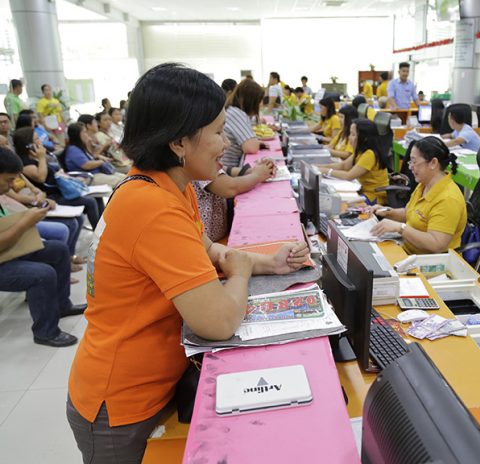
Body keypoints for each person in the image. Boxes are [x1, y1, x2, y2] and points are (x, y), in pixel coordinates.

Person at [66, 62, 310, 463]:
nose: (225, 141)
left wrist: (269, 262)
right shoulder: (152, 208)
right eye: (216, 131)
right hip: (120, 404)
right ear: (179, 143)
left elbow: (212, 252)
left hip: (151, 383)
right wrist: (244, 271)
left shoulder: (165, 186)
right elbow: (218, 321)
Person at [0, 147, 86, 347]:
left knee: (58, 250)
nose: (12, 185)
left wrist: (30, 216)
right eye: (8, 180)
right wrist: (25, 223)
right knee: (42, 273)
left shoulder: (3, 195)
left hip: (9, 252)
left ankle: (62, 305)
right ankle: (45, 332)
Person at [369, 137, 467, 254]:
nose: (410, 167)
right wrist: (388, 212)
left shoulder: (448, 199)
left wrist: (400, 228)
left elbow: (436, 244)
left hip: (431, 263)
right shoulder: (424, 184)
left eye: (414, 162)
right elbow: (410, 213)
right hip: (408, 250)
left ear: (433, 163)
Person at [12, 126, 103, 229]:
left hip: (60, 191)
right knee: (90, 202)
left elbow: (57, 173)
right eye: (37, 139)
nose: (40, 141)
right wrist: (41, 158)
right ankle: (99, 233)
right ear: (28, 145)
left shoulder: (37, 157)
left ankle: (104, 228)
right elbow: (41, 177)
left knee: (97, 198)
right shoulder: (25, 163)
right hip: (51, 196)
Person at [193, 159, 275, 242]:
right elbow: (230, 187)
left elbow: (226, 170)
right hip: (208, 244)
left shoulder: (204, 159)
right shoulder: (198, 163)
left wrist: (256, 170)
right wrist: (257, 175)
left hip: (219, 233)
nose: (227, 145)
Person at [317, 119, 388, 204]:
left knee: (343, 205)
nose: (349, 137)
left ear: (364, 138)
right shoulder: (361, 151)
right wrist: (318, 167)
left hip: (373, 196)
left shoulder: (370, 154)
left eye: (353, 134)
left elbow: (349, 176)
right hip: (362, 191)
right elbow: (343, 166)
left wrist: (326, 171)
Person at [63, 122, 126, 187]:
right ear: (77, 135)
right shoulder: (73, 150)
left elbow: (92, 156)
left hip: (97, 173)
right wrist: (101, 162)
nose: (86, 134)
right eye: (84, 132)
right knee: (121, 182)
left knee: (126, 178)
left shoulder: (80, 147)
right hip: (89, 177)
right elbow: (86, 165)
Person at [220, 78, 266, 168]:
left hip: (227, 169)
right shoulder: (236, 113)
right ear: (251, 101)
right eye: (259, 101)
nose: (260, 105)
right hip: (227, 170)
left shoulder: (233, 110)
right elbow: (251, 147)